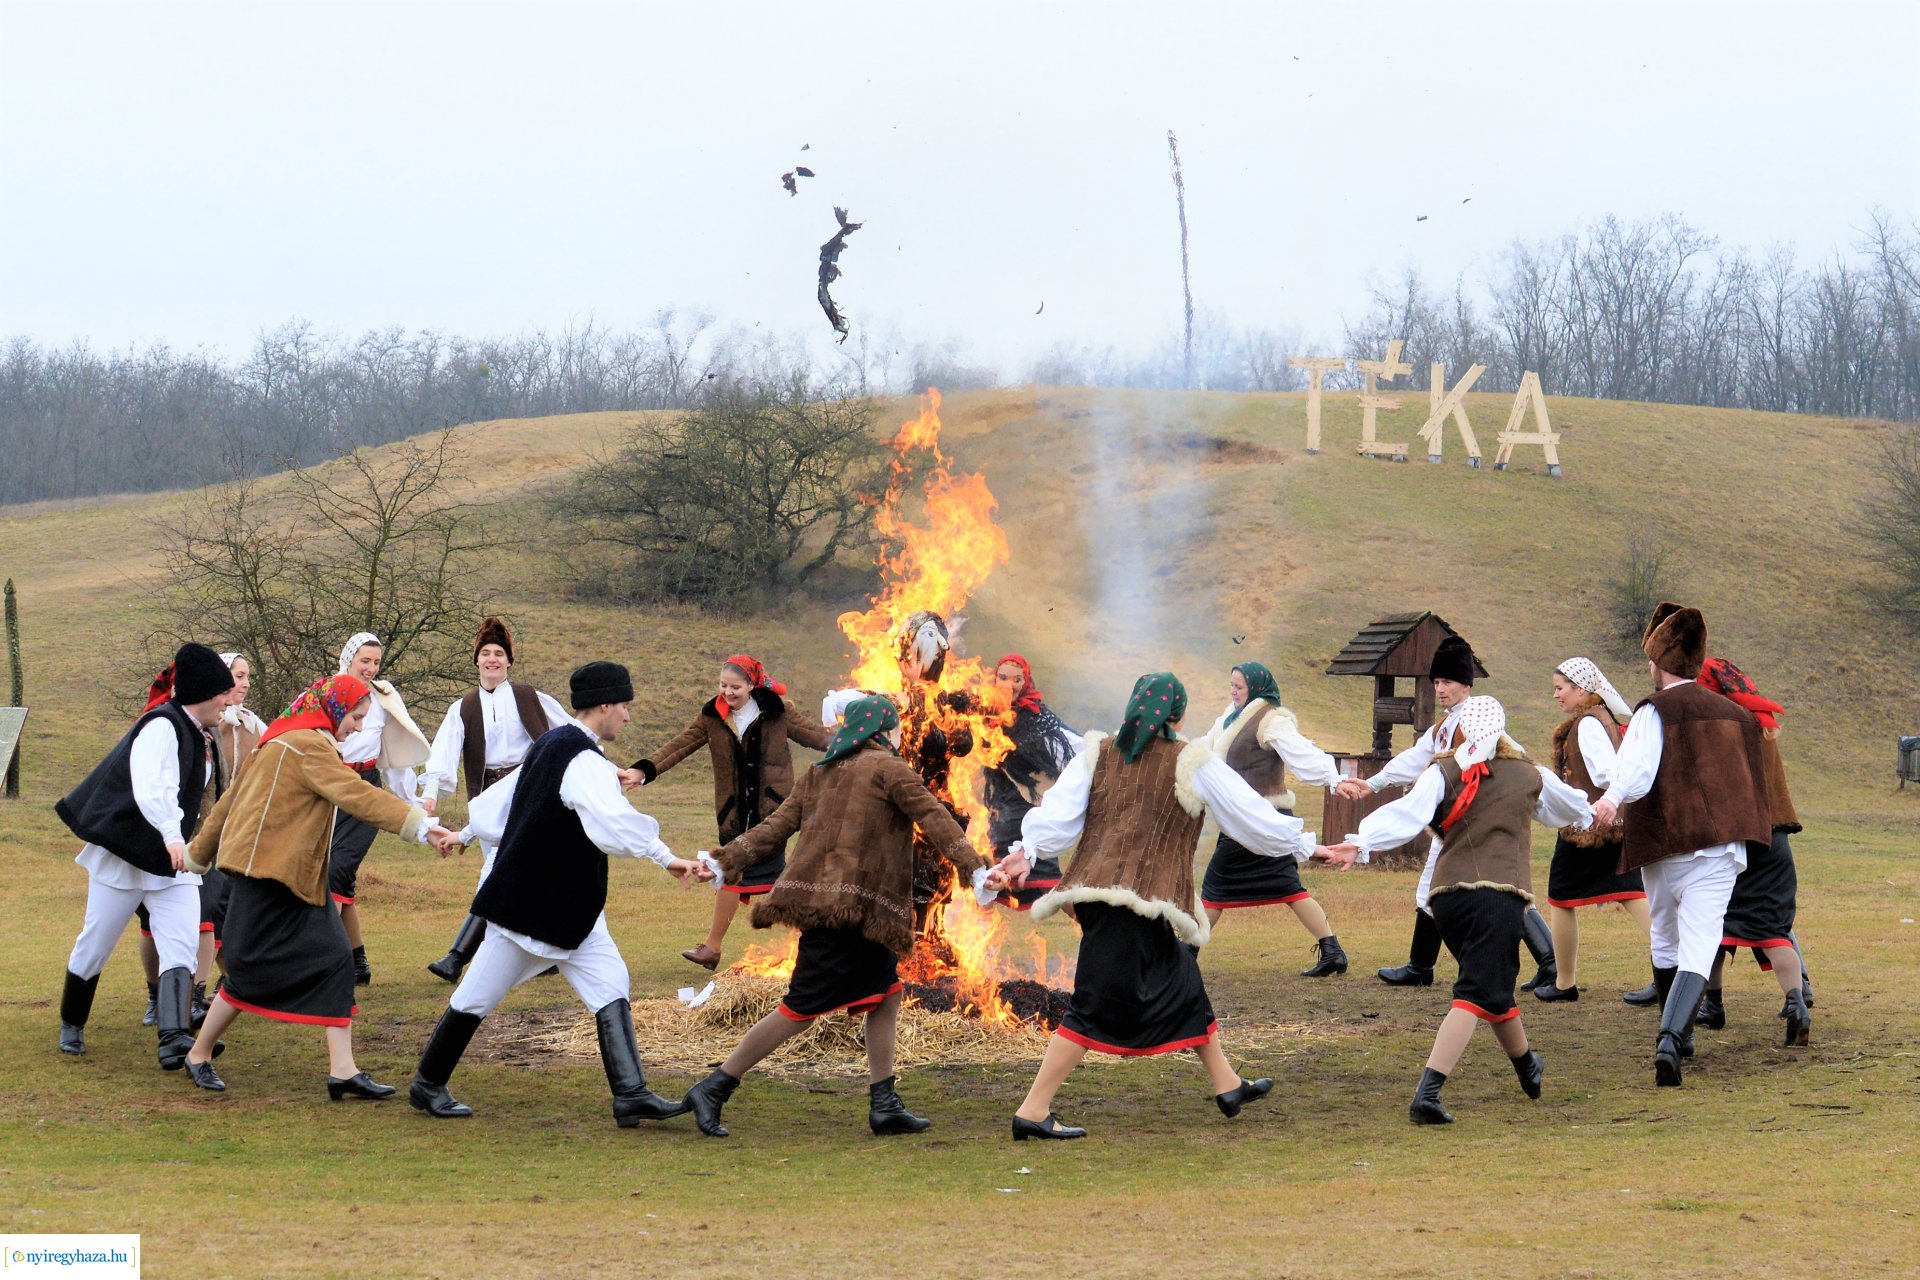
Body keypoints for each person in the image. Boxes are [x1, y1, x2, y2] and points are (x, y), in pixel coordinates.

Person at [990, 673, 1312, 1141]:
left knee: (1184, 979)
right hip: (1127, 903)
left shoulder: (1098, 755)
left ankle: (1227, 1086)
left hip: (1113, 898)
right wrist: (1303, 844)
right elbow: (1247, 811)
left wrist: (1029, 850)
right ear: (1177, 714)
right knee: (1091, 1005)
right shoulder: (1189, 761)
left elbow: (1059, 813)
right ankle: (1032, 1109)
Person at [409, 661, 711, 1127]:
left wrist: (467, 833)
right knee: (475, 996)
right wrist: (665, 857)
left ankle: (631, 1093)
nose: (627, 717)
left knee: (611, 986)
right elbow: (613, 822)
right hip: (529, 906)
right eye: (624, 706)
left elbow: (502, 800)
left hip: (570, 906)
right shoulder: (579, 759)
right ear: (606, 704)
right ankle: (428, 1084)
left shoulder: (554, 744)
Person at [680, 695, 985, 1139]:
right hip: (852, 913)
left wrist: (726, 859)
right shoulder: (889, 768)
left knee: (887, 993)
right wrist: (975, 868)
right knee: (798, 1009)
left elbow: (773, 828)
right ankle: (714, 1087)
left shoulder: (819, 773)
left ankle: (884, 1103)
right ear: (884, 730)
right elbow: (934, 817)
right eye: (896, 727)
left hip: (847, 913)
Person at [1316, 697, 1594, 1124]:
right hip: (1499, 898)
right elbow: (1569, 808)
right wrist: (1593, 811)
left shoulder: (1442, 771)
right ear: (1503, 733)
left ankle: (1527, 1066)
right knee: (1471, 995)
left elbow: (1406, 814)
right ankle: (1427, 1093)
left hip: (1445, 900)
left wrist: (1361, 841)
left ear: (1462, 731)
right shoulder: (1528, 775)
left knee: (1492, 987)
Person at [179, 674, 456, 1097]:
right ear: (334, 708)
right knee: (248, 972)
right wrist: (422, 828)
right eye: (356, 717)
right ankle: (198, 1054)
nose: (359, 727)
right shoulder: (308, 746)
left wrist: (199, 854)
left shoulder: (280, 738)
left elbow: (227, 803)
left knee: (336, 959)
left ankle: (342, 1071)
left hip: (293, 876)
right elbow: (358, 795)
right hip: (265, 874)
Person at [1590, 604, 1775, 1087]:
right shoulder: (1739, 717)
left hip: (1665, 843)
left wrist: (1611, 799)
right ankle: (1674, 1038)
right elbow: (1758, 782)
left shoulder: (1656, 710)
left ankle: (1675, 1035)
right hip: (1718, 850)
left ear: (1658, 661)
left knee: (1664, 937)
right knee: (1699, 942)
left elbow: (1636, 770)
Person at [1337, 636, 1557, 991]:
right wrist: (1373, 783)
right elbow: (1415, 760)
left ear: (1466, 685)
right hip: (1453, 825)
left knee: (1502, 889)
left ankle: (1548, 962)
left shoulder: (1480, 721)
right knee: (1435, 887)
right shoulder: (1442, 727)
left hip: (1477, 825)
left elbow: (1518, 758)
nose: (1440, 689)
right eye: (1436, 682)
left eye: (1447, 682)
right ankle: (1421, 966)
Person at [55, 644, 233, 1068]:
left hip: (174, 862)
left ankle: (173, 1038)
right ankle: (71, 1023)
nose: (230, 701)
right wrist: (173, 836)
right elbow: (153, 787)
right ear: (205, 695)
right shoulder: (161, 726)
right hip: (126, 854)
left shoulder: (200, 732)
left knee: (181, 943)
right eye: (224, 693)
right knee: (96, 943)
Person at [619, 653, 830, 970]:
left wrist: (855, 739)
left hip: (771, 814)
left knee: (757, 877)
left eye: (735, 687)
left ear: (751, 685)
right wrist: (643, 771)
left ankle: (813, 949)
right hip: (732, 815)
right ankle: (719, 949)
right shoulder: (711, 717)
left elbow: (814, 735)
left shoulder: (777, 712)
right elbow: (680, 745)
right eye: (723, 686)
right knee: (747, 874)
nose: (728, 693)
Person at [417, 617, 580, 983]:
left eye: (499, 654)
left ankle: (457, 957)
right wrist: (429, 795)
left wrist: (597, 764)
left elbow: (571, 730)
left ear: (509, 661)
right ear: (476, 661)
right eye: (486, 653)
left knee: (499, 873)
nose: (492, 659)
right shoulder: (463, 708)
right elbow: (442, 753)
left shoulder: (529, 697)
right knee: (518, 874)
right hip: (487, 794)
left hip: (530, 789)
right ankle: (544, 951)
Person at [824, 611, 976, 932]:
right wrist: (844, 700)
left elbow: (964, 739)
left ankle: (926, 941)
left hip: (933, 803)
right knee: (902, 877)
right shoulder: (905, 698)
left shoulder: (944, 701)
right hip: (901, 801)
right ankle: (903, 942)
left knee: (932, 879)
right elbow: (882, 702)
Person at [1193, 661, 1348, 975]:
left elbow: (1301, 752)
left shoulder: (1271, 720)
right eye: (1232, 685)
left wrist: (1333, 778)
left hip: (1265, 818)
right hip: (1241, 818)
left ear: (1256, 688)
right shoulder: (1228, 718)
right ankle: (1332, 951)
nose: (1233, 692)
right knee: (1289, 888)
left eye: (1240, 687)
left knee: (1215, 889)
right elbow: (1201, 750)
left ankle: (1183, 955)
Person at [1692, 657, 1811, 1046]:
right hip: (1776, 843)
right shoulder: (1762, 725)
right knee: (1773, 933)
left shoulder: (1724, 728)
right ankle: (1797, 1006)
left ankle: (1714, 1004)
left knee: (1712, 929)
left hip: (1737, 841)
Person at [1535, 657, 1652, 1003]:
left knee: (1560, 897)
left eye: (1560, 688)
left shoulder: (1587, 723)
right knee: (1632, 893)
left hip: (1588, 828)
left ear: (1581, 689)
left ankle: (1565, 984)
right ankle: (1672, 969)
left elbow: (1605, 773)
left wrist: (1604, 799)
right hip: (1612, 825)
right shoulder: (1603, 717)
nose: (1556, 695)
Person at [328, 632, 432, 986]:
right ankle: (357, 961)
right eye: (365, 662)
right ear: (349, 661)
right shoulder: (325, 692)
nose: (371, 669)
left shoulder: (383, 698)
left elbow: (396, 761)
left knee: (336, 870)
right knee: (333, 878)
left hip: (365, 791)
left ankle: (330, 962)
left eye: (376, 662)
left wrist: (411, 804)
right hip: (327, 791)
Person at [980, 654, 1081, 910]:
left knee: (1052, 891)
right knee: (984, 885)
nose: (1008, 685)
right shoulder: (988, 716)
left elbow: (1070, 749)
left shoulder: (1035, 717)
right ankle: (972, 949)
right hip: (1000, 815)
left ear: (1026, 682)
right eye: (1003, 677)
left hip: (1029, 817)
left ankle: (1096, 934)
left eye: (1017, 679)